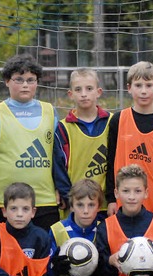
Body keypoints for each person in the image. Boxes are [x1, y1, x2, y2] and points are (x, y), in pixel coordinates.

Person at [0, 53, 63, 231]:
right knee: (8, 256)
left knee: (46, 254)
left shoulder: (50, 112)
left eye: (31, 80)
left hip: (45, 200)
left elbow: (59, 156)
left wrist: (61, 187)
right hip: (7, 203)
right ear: (7, 81)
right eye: (19, 79)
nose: (25, 85)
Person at [105, 61, 153, 225]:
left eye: (148, 85)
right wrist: (111, 198)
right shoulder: (118, 120)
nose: (143, 91)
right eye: (138, 85)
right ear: (129, 88)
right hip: (124, 203)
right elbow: (110, 162)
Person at [55, 68, 112, 219]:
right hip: (77, 206)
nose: (84, 94)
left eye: (89, 88)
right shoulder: (63, 128)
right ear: (70, 94)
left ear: (98, 92)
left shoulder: (112, 122)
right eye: (78, 89)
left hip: (106, 205)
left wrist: (114, 197)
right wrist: (69, 199)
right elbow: (59, 167)